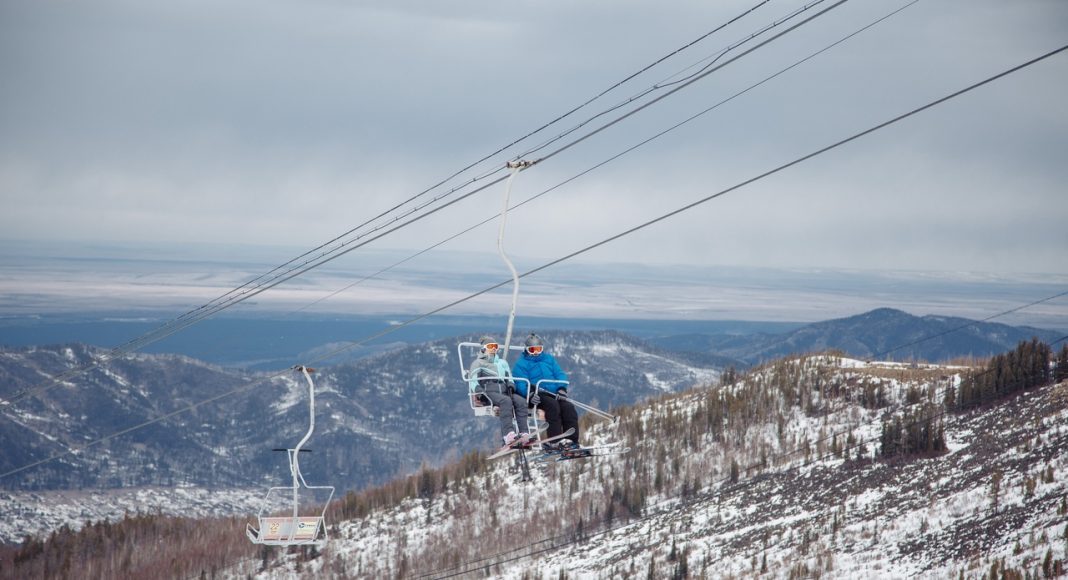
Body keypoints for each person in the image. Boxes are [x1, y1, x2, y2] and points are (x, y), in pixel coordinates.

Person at [511, 333, 579, 449]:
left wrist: (561, 388)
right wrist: (530, 394)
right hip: (536, 395)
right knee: (552, 406)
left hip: (553, 393)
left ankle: (571, 441)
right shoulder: (521, 364)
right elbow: (520, 383)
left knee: (569, 407)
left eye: (539, 349)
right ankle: (555, 441)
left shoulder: (549, 359)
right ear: (527, 350)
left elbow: (560, 374)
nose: (536, 352)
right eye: (533, 350)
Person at [467, 336, 530, 448]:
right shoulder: (478, 363)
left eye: (495, 347)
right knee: (506, 401)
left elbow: (509, 376)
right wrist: (478, 391)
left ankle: (523, 433)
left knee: (521, 401)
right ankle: (508, 435)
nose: (493, 349)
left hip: (504, 390)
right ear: (483, 349)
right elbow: (473, 379)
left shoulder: (502, 363)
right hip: (489, 391)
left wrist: (511, 384)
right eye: (490, 347)